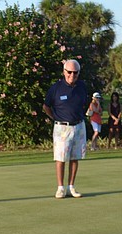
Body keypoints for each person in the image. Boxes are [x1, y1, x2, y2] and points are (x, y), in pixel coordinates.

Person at [43, 59, 88, 199]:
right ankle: (60, 188)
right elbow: (46, 106)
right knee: (61, 158)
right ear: (64, 72)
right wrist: (55, 118)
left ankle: (71, 187)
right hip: (62, 127)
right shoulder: (56, 88)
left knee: (75, 157)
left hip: (79, 126)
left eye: (75, 72)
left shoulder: (82, 86)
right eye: (69, 72)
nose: (72, 75)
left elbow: (85, 104)